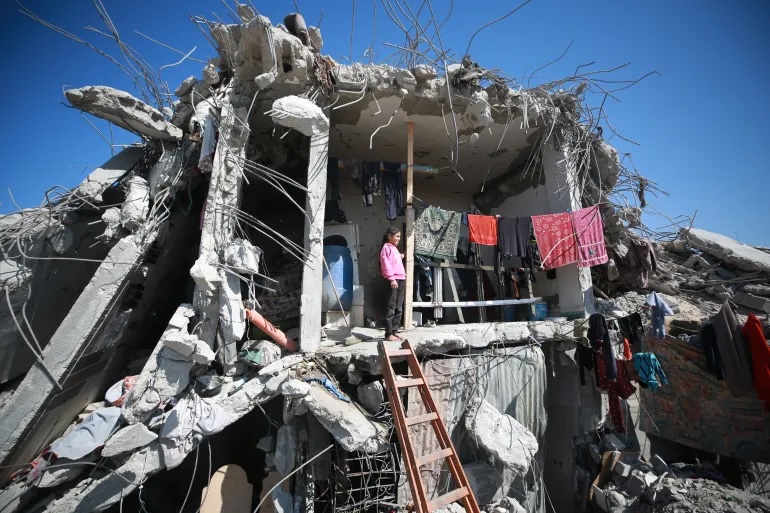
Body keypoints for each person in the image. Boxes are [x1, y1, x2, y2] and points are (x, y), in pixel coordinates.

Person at [380, 227, 406, 341]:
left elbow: (397, 258)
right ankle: (388, 333)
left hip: (401, 279)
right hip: (394, 280)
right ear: (389, 236)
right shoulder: (386, 248)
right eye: (397, 236)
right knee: (391, 307)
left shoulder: (394, 249)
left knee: (399, 307)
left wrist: (403, 255)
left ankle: (395, 331)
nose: (399, 239)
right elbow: (386, 264)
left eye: (400, 236)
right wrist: (391, 279)